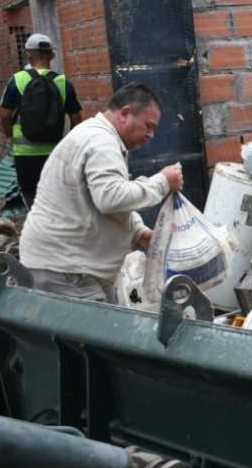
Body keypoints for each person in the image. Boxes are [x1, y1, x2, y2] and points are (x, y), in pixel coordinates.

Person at [18, 83, 183, 303]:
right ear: (125, 113)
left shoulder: (100, 137)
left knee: (104, 327)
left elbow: (99, 198)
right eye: (148, 126)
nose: (151, 135)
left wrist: (138, 233)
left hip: (65, 267)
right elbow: (110, 197)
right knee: (93, 335)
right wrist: (162, 182)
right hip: (65, 271)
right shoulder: (101, 142)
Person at [0, 33, 83, 208]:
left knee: (31, 198)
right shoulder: (62, 82)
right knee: (56, 199)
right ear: (52, 55)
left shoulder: (17, 80)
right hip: (54, 154)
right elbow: (77, 119)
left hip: (24, 154)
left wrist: (10, 134)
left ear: (28, 54)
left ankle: (37, 230)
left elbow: (5, 115)